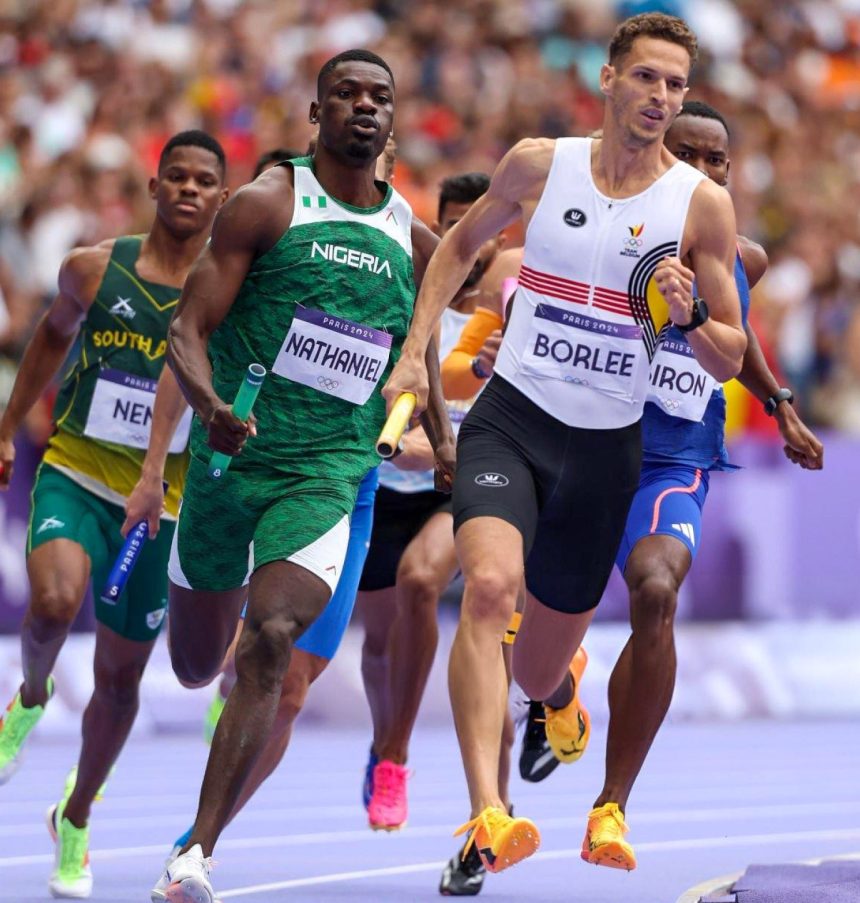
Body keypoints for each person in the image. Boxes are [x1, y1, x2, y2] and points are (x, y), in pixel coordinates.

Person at [382, 12, 747, 876]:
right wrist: (412, 349)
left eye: (677, 85)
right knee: (487, 589)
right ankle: (487, 814)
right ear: (608, 79)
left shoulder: (701, 205)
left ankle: (560, 692)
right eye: (648, 78)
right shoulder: (539, 165)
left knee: (540, 664)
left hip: (605, 449)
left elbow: (729, 353)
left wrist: (690, 313)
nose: (661, 97)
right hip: (515, 418)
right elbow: (458, 249)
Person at [152, 49, 455, 903]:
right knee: (191, 661)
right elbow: (187, 329)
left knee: (275, 637)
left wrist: (449, 448)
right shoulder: (268, 204)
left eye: (380, 96)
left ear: (394, 119)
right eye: (347, 94)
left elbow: (421, 351)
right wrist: (209, 405)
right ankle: (214, 665)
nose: (365, 105)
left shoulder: (412, 238)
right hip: (229, 461)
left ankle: (192, 855)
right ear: (316, 114)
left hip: (326, 471)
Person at [574, 99, 824, 871]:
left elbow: (734, 339)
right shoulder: (605, 230)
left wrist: (780, 404)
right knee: (540, 643)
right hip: (584, 448)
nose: (707, 171)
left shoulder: (740, 256)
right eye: (691, 154)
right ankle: (555, 692)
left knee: (656, 590)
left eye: (719, 159)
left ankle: (611, 806)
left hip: (672, 457)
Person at [0, 130, 228, 898]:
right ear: (155, 186)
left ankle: (75, 815)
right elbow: (49, 338)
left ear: (221, 199)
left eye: (206, 181)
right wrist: (6, 427)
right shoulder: (93, 268)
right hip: (77, 471)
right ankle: (29, 695)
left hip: (161, 508)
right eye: (178, 177)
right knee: (55, 603)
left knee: (120, 681)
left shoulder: (232, 296)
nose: (190, 190)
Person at [360, 171, 505, 831]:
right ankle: (382, 734)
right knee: (379, 640)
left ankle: (400, 757)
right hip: (384, 482)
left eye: (472, 227)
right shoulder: (405, 298)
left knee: (422, 580)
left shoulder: (507, 308)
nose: (459, 240)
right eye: (446, 226)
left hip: (459, 483)